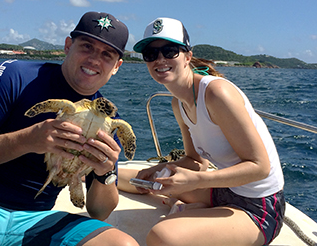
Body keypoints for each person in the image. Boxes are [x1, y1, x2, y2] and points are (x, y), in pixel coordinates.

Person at [0, 11, 139, 246]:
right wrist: (28, 139)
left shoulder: (109, 121)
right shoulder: (15, 75)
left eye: (106, 54)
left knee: (122, 244)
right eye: (87, 46)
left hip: (37, 219)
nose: (94, 60)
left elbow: (100, 211)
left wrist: (106, 172)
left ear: (117, 66)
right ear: (68, 45)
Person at [119, 17, 285, 246]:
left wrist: (197, 180)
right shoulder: (178, 103)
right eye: (150, 54)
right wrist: (156, 169)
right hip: (220, 190)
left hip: (258, 207)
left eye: (169, 51)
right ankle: (195, 210)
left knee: (162, 237)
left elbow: (260, 167)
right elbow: (196, 161)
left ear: (187, 56)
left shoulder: (216, 94)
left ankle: (193, 212)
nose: (160, 60)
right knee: (126, 178)